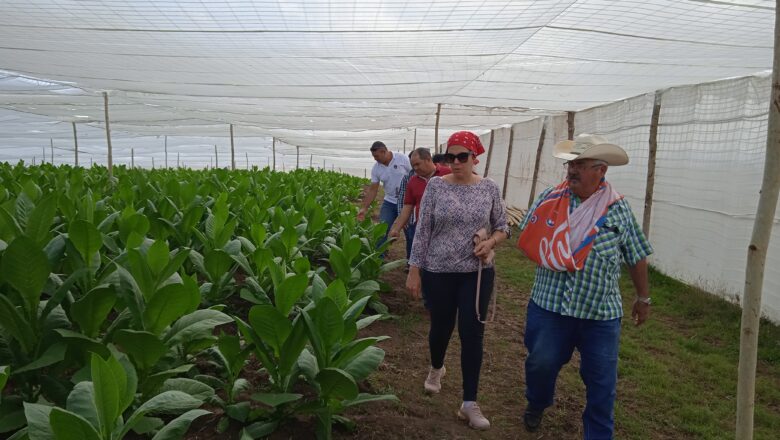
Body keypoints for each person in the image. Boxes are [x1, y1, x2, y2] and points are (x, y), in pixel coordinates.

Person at [516, 134, 653, 438]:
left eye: (581, 164)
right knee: (541, 365)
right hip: (550, 306)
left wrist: (643, 298)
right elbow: (528, 234)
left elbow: (636, 255)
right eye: (571, 163)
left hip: (600, 314)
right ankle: (537, 403)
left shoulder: (618, 209)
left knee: (602, 383)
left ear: (600, 170)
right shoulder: (551, 199)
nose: (572, 169)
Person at [406, 131, 510, 431]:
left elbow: (503, 227)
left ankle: (469, 402)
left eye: (462, 157)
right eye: (450, 157)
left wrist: (490, 242)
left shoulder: (489, 188)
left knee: (472, 333)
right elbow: (423, 230)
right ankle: (437, 367)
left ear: (475, 158)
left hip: (476, 274)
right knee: (440, 328)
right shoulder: (436, 187)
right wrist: (415, 269)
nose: (455, 162)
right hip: (438, 271)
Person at [389, 148, 451, 264]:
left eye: (418, 164)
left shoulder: (448, 174)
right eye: (413, 166)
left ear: (428, 159)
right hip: (422, 230)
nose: (415, 168)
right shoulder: (412, 181)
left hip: (446, 231)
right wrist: (396, 229)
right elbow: (407, 207)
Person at [357, 141, 412, 250]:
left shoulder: (402, 158)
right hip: (390, 202)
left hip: (407, 202)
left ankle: (410, 262)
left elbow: (414, 174)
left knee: (409, 231)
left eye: (376, 156)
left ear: (383, 151)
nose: (375, 159)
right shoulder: (376, 168)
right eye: (373, 156)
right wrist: (364, 208)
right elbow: (373, 190)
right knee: (382, 228)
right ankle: (379, 257)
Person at [394, 152, 416, 261]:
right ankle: (409, 262)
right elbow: (402, 199)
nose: (415, 166)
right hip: (410, 218)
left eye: (418, 163)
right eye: (413, 163)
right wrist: (402, 219)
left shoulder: (434, 178)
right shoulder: (407, 178)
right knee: (410, 239)